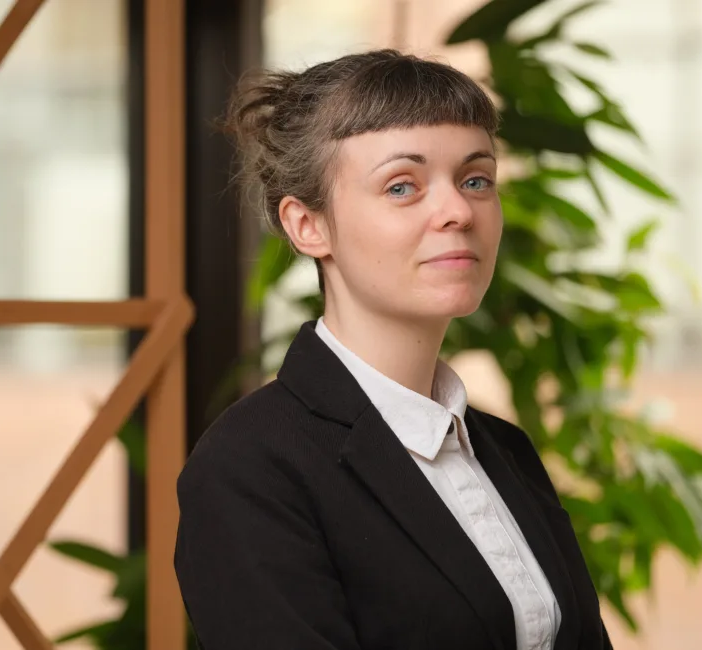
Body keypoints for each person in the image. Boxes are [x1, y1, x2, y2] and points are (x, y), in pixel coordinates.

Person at [174, 49, 613, 650]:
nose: (458, 211)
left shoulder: (504, 449)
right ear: (308, 225)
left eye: (476, 179)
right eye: (402, 186)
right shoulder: (250, 467)